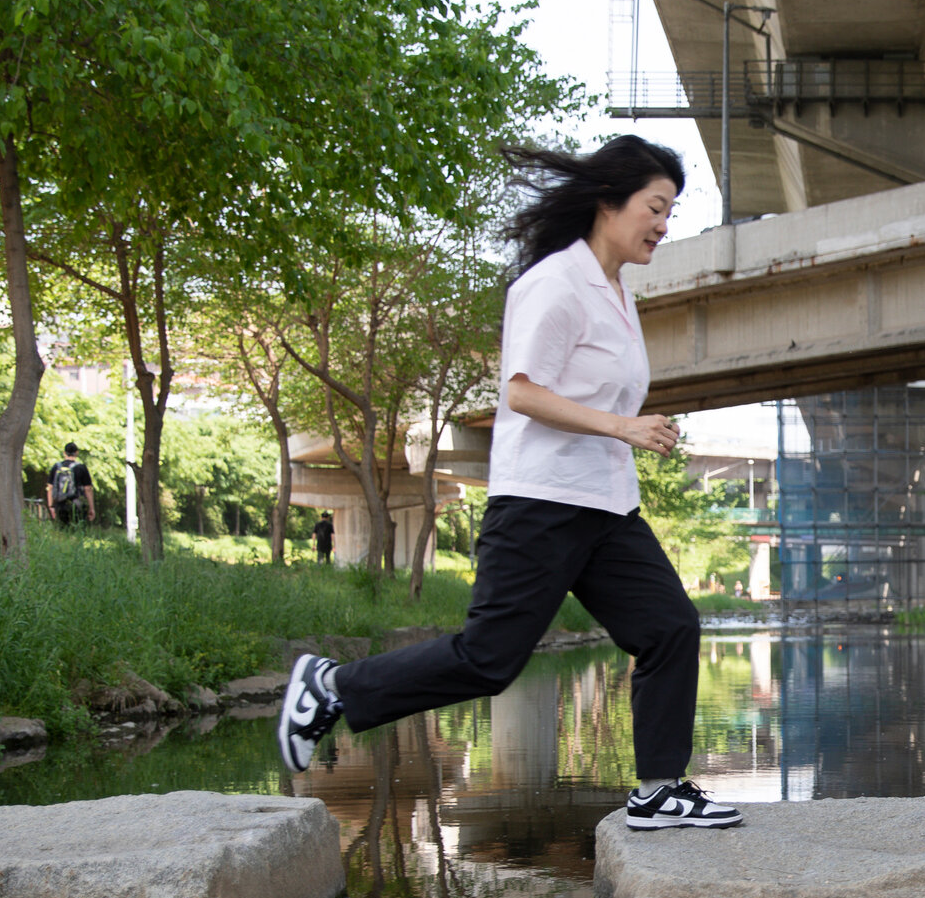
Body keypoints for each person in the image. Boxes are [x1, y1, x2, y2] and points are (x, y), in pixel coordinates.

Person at [277, 135, 742, 831]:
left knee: (670, 625)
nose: (663, 225)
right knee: (489, 660)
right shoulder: (554, 283)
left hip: (607, 506)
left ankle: (658, 789)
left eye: (670, 211)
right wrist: (624, 428)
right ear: (608, 201)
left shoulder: (617, 293)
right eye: (655, 206)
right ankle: (332, 686)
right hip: (543, 503)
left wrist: (632, 429)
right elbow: (520, 394)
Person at [47, 442, 95, 527]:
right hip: (77, 504)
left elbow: (50, 488)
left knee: (62, 531)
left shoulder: (56, 467)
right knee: (78, 530)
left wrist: (51, 506)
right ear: (77, 452)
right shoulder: (81, 467)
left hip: (60, 504)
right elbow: (88, 489)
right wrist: (91, 508)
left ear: (64, 453)